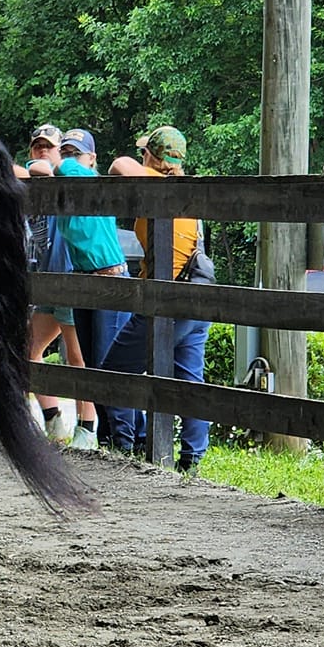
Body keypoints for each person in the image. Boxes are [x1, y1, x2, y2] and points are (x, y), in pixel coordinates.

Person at [97, 123, 210, 473]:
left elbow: (119, 164)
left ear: (154, 158)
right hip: (197, 291)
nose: (140, 155)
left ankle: (126, 444)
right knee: (189, 379)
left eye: (146, 151)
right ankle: (192, 457)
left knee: (113, 374)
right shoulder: (185, 193)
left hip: (168, 300)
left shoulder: (159, 187)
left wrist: (148, 166)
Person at [56, 128, 127, 452]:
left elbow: (53, 167)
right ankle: (109, 438)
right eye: (67, 152)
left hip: (109, 279)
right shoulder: (68, 192)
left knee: (108, 364)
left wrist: (63, 163)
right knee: (91, 363)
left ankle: (125, 441)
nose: (71, 160)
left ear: (92, 159)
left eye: (77, 153)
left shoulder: (88, 181)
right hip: (85, 279)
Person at [24, 124, 84, 445]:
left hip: (72, 276)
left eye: (49, 145)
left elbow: (43, 168)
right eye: (37, 146)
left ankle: (87, 429)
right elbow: (29, 169)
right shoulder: (34, 185)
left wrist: (49, 164)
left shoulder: (68, 175)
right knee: (28, 347)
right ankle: (54, 422)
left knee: (77, 356)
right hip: (49, 282)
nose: (42, 150)